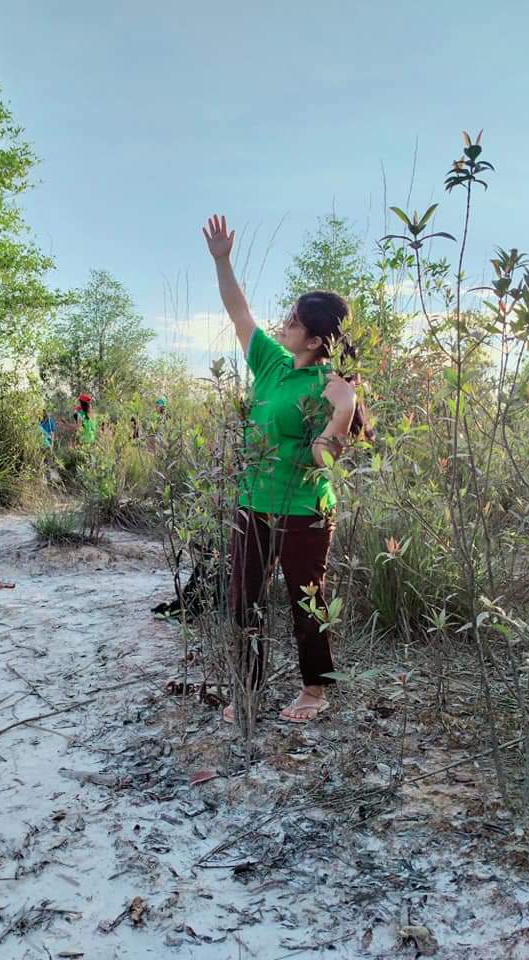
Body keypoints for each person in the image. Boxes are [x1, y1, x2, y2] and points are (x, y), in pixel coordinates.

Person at [203, 213, 369, 724]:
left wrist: (344, 410)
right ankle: (248, 689)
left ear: (316, 340)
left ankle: (315, 691)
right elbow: (239, 313)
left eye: (294, 321)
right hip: (253, 504)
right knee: (244, 602)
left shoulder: (329, 386)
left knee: (306, 601)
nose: (285, 323)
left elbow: (323, 459)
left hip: (303, 510)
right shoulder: (273, 365)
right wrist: (222, 261)